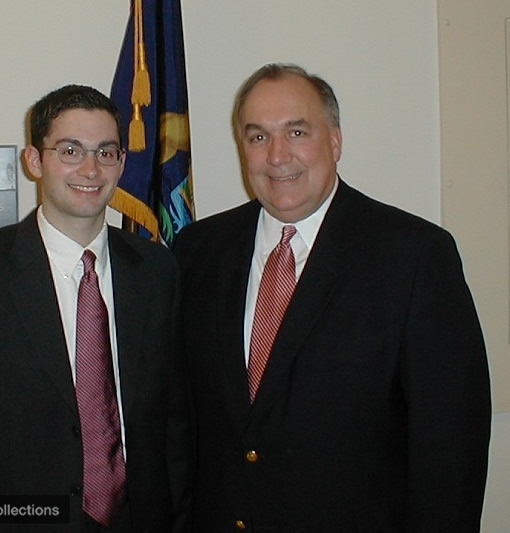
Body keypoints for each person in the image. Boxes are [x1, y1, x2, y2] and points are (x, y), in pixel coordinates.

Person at [173, 63, 491, 532]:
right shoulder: (198, 251)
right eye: (258, 136)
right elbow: (184, 423)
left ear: (335, 142)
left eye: (297, 131)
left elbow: (451, 445)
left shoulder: (414, 255)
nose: (277, 156)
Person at [0, 84, 190, 532]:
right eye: (70, 150)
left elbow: (175, 421)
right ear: (34, 161)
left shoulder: (158, 271)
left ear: (122, 163)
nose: (90, 168)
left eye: (106, 152)